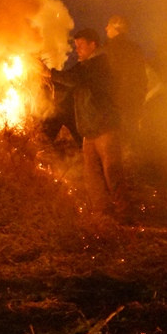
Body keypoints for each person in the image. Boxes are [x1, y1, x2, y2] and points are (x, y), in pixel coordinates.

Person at [45, 28, 124, 215]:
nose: (77, 49)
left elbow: (73, 78)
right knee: (92, 176)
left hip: (105, 128)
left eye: (81, 45)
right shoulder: (85, 66)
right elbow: (69, 79)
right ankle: (102, 212)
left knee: (112, 173)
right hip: (89, 130)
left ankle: (124, 213)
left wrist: (49, 73)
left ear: (93, 45)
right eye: (76, 45)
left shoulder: (98, 64)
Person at [103, 14, 148, 160]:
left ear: (116, 28)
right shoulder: (135, 49)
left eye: (109, 25)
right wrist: (139, 99)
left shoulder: (107, 49)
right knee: (131, 136)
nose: (106, 28)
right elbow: (142, 78)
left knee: (114, 141)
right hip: (132, 102)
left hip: (113, 103)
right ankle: (137, 165)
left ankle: (121, 169)